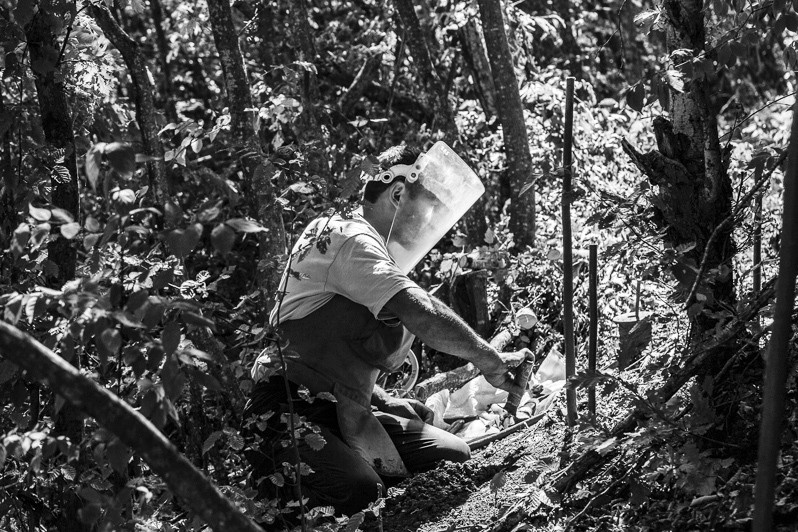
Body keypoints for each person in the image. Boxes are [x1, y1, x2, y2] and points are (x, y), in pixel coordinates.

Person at [243, 144, 532, 516]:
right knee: (360, 491)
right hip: (286, 406)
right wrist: (490, 361)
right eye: (425, 211)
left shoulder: (370, 249)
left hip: (343, 409)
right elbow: (422, 314)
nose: (426, 224)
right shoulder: (347, 236)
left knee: (453, 457)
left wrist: (383, 401)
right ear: (398, 194)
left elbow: (340, 358)